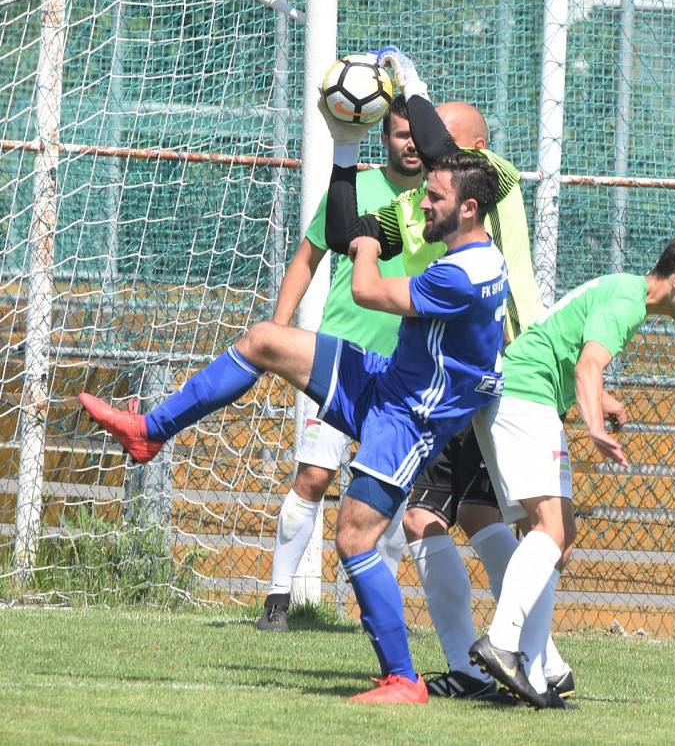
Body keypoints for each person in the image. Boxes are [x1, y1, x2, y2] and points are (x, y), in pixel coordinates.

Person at [79, 146, 509, 705]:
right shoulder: (471, 249)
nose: (425, 202)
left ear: (469, 208)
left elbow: (365, 290)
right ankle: (149, 432)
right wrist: (349, 147)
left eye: (436, 197)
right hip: (387, 380)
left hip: (410, 417)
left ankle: (403, 679)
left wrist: (366, 240)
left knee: (355, 537)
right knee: (263, 339)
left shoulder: (462, 275)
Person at [332, 45, 572, 703]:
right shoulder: (421, 208)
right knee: (473, 512)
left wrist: (410, 84)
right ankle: (537, 661)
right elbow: (341, 229)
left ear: (473, 153)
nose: (419, 147)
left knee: (518, 525)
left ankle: (505, 658)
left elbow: (439, 146)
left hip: (503, 375)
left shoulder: (491, 180)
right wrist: (344, 150)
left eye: (436, 140)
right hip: (474, 384)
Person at [469, 227, 675, 708]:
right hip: (525, 397)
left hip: (524, 394)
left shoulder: (624, 290)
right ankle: (503, 643)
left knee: (558, 538)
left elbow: (567, 343)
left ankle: (532, 667)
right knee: (551, 532)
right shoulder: (629, 304)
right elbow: (588, 364)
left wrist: (598, 400)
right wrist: (594, 425)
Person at [258, 95, 423, 632]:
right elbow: (306, 259)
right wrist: (280, 332)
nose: (412, 144)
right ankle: (278, 602)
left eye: (418, 135)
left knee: (390, 498)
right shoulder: (353, 191)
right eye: (401, 134)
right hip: (338, 359)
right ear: (384, 137)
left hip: (402, 372)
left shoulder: (439, 201)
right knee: (313, 476)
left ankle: (369, 613)